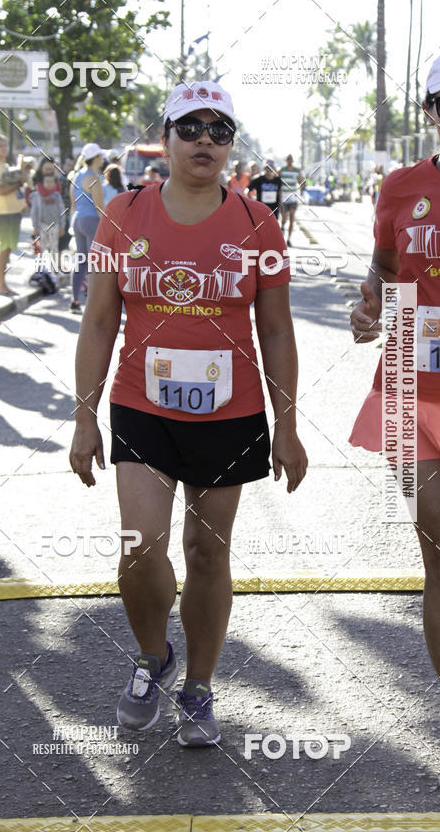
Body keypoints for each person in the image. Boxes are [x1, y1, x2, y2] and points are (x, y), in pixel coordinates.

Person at [69, 80, 307, 747]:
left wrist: (286, 425)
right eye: (191, 127)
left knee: (206, 553)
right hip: (142, 405)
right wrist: (85, 417)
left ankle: (199, 688)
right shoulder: (121, 213)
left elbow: (279, 331)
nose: (206, 140)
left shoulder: (258, 224)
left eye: (220, 130)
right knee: (140, 547)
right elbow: (98, 323)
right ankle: (153, 657)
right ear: (167, 137)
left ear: (231, 145)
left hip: (230, 415)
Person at [349, 48, 440, 794]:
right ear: (429, 113)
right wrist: (369, 306)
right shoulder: (401, 188)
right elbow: (385, 267)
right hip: (420, 393)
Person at [0, 135, 27, 296]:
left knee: (7, 249)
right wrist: (20, 181)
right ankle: (0, 284)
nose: (3, 148)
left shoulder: (3, 165)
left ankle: (3, 284)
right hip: (5, 212)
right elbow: (1, 190)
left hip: (11, 211)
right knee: (4, 248)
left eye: (4, 145)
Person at [69, 142, 104, 313]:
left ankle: (75, 300)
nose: (103, 159)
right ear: (96, 158)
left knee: (81, 262)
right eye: (101, 156)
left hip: (78, 220)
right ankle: (94, 304)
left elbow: (73, 204)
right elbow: (100, 208)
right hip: (91, 221)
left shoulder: (77, 176)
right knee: (96, 263)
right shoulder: (94, 179)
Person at [30, 170, 66, 269]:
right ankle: (40, 268)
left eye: (51, 182)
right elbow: (34, 212)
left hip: (55, 225)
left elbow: (62, 211)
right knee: (41, 247)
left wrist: (62, 226)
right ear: (43, 183)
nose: (49, 184)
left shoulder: (57, 195)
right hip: (42, 225)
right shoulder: (38, 195)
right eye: (47, 182)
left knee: (54, 248)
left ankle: (53, 269)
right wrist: (35, 227)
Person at [279, 154, 305, 246]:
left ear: (292, 161)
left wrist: (303, 185)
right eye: (288, 160)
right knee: (284, 218)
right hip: (283, 198)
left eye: (290, 160)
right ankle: (282, 226)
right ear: (286, 161)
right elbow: (277, 182)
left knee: (292, 218)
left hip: (293, 198)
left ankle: (289, 239)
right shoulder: (282, 170)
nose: (289, 161)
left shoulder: (297, 171)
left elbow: (301, 182)